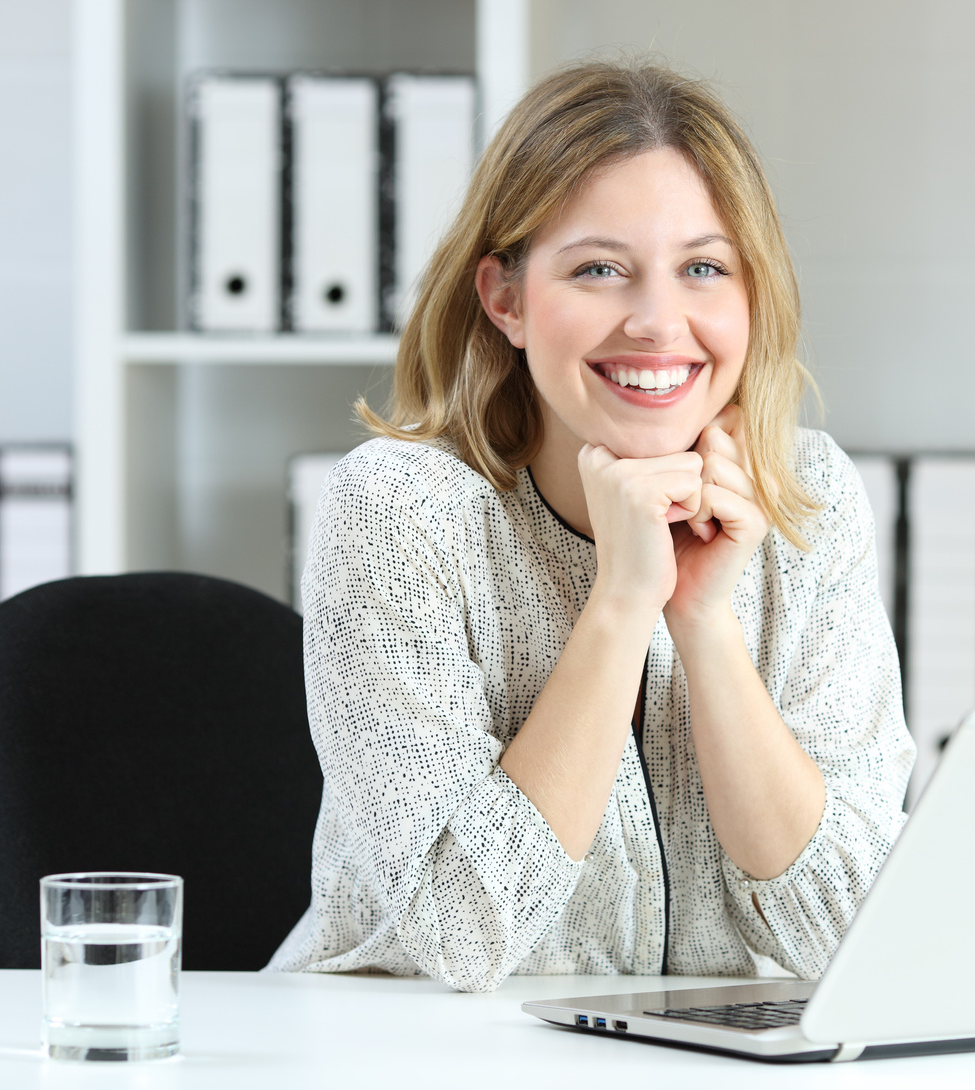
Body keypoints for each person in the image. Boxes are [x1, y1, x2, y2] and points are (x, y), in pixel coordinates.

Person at [267, 60, 914, 992]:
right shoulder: (400, 510)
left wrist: (703, 623)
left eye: (703, 268)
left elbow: (855, 937)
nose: (657, 322)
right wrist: (620, 604)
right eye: (599, 270)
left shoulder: (806, 493)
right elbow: (461, 934)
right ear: (506, 300)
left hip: (695, 1062)